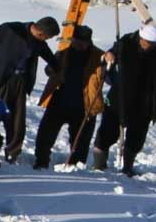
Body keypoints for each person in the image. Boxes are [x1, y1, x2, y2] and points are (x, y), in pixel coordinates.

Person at [92, 24, 156, 176]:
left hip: (145, 99)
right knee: (107, 131)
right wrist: (108, 56)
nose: (149, 46)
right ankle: (99, 165)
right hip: (120, 95)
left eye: (152, 44)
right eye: (147, 43)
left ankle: (128, 167)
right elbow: (110, 55)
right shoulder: (126, 42)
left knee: (137, 135)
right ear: (141, 38)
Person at [0, 17, 62, 165]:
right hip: (0, 80)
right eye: (47, 37)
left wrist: (57, 69)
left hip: (20, 81)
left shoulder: (38, 42)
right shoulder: (10, 29)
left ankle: (12, 153)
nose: (46, 40)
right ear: (41, 33)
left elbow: (48, 56)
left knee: (17, 120)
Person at [33, 25, 107, 169]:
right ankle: (41, 161)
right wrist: (52, 68)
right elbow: (48, 70)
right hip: (59, 101)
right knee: (45, 135)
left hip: (85, 105)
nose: (78, 45)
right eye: (76, 41)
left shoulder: (99, 57)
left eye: (82, 43)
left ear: (89, 42)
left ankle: (75, 167)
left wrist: (107, 67)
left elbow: (110, 78)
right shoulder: (63, 53)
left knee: (81, 142)